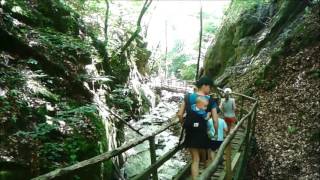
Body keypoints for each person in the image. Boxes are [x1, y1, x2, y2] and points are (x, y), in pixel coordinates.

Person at [177, 76, 218, 180]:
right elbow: (215, 120)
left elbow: (180, 115)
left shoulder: (187, 97)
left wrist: (183, 124)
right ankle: (207, 177)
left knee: (195, 159)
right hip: (204, 131)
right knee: (207, 158)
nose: (210, 90)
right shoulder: (211, 100)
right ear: (204, 86)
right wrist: (216, 132)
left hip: (190, 131)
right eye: (210, 87)